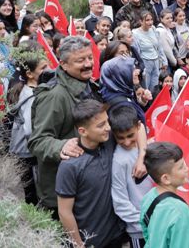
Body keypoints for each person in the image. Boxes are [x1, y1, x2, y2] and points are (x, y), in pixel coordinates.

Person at [28, 36, 146, 216]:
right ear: (64, 64)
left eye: (90, 58)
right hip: (70, 194)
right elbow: (37, 141)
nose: (88, 64)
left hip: (95, 187)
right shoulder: (55, 96)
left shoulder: (90, 85)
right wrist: (61, 146)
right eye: (80, 60)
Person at [56, 99, 126, 248]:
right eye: (101, 125)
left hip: (116, 235)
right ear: (83, 131)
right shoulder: (70, 165)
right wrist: (78, 244)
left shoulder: (108, 141)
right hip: (91, 242)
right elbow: (64, 212)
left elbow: (137, 127)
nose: (108, 128)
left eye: (107, 122)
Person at [7, 41, 49, 205]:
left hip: (25, 150)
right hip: (29, 152)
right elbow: (30, 129)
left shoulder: (28, 89)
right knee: (34, 192)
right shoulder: (30, 95)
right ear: (30, 74)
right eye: (43, 69)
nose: (48, 71)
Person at [110, 106, 155, 248]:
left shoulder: (148, 146)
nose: (127, 142)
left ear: (138, 127)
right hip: (139, 231)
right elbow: (120, 202)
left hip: (159, 222)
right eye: (120, 138)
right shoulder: (119, 161)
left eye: (130, 135)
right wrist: (144, 223)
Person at [133, 11, 166, 92]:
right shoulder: (135, 33)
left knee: (155, 87)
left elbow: (159, 46)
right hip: (145, 62)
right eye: (147, 20)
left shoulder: (153, 29)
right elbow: (136, 51)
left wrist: (164, 61)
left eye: (151, 19)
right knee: (146, 87)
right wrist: (139, 67)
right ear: (141, 21)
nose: (150, 22)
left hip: (156, 61)